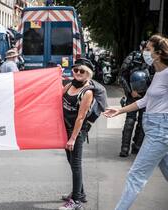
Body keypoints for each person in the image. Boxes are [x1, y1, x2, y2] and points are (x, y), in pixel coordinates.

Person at [104, 34, 168, 210]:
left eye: (148, 49)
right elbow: (145, 101)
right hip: (154, 128)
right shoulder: (158, 74)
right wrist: (119, 110)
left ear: (158, 53)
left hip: (160, 131)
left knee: (135, 176)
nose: (143, 52)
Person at [59, 58, 94, 210]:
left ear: (88, 74)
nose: (78, 73)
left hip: (77, 132)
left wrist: (73, 138)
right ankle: (80, 193)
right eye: (76, 70)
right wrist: (55, 76)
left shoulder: (87, 92)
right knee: (72, 163)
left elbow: (81, 117)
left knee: (76, 165)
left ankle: (76, 201)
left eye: (82, 71)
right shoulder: (68, 86)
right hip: (65, 129)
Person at [118, 41, 151, 157]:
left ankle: (137, 147)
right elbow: (122, 76)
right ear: (141, 48)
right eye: (145, 48)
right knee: (130, 121)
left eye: (149, 49)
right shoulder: (132, 57)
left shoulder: (154, 61)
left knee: (144, 122)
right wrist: (131, 92)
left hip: (147, 96)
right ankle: (124, 148)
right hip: (133, 95)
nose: (147, 51)